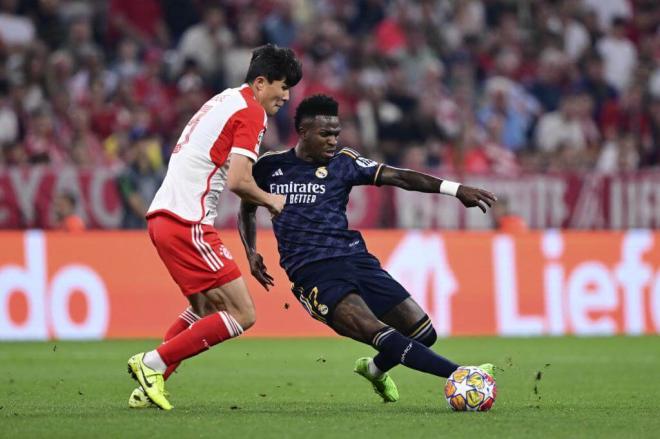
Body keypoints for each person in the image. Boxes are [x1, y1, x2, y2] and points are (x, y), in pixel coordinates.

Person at [238, 95, 497, 403]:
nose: (334, 140)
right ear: (304, 132)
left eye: (336, 132)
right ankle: (464, 375)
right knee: (378, 332)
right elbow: (247, 207)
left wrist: (455, 190)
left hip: (355, 259)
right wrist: (250, 251)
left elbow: (398, 177)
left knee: (423, 333)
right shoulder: (270, 167)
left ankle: (373, 370)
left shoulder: (344, 162)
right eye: (325, 134)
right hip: (313, 273)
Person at [126, 44, 302, 410]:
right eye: (282, 86)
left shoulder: (224, 100)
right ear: (260, 82)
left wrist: (251, 248)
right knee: (243, 314)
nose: (286, 96)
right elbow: (239, 181)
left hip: (163, 217)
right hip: (187, 221)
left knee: (205, 309)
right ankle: (151, 363)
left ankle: (148, 386)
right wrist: (272, 201)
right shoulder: (252, 112)